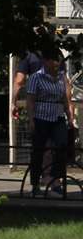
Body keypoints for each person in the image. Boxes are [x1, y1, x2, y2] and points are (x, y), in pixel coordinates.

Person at [25, 48, 74, 198]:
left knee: (61, 147)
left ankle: (55, 180)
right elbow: (30, 99)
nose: (56, 63)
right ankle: (35, 185)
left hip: (57, 115)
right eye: (53, 60)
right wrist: (31, 119)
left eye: (58, 60)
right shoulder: (36, 77)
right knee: (38, 150)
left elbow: (66, 97)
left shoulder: (61, 76)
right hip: (41, 116)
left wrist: (69, 116)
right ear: (45, 61)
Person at [10, 48, 45, 120]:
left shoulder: (29, 53)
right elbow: (65, 81)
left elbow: (18, 81)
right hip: (57, 104)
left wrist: (13, 102)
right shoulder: (56, 53)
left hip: (37, 102)